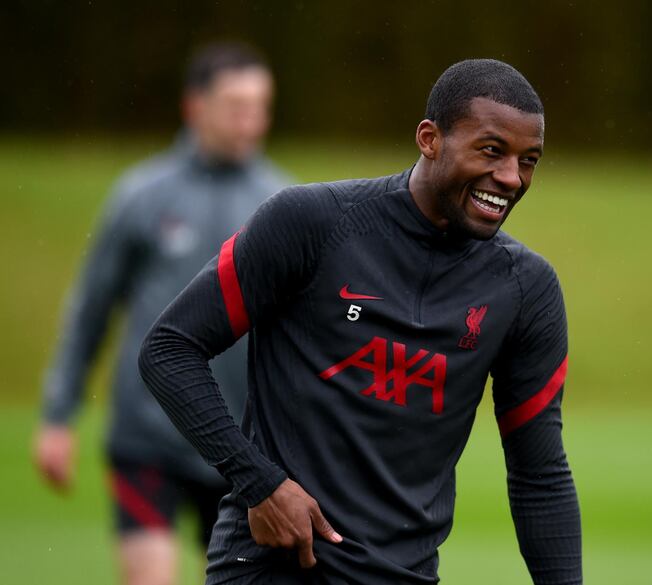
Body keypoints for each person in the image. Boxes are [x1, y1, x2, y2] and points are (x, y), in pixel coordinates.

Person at [139, 59, 582, 585]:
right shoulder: (310, 223)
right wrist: (259, 482)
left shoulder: (526, 290)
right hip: (265, 571)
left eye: (528, 160)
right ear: (429, 139)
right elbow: (169, 349)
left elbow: (539, 476)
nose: (511, 178)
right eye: (492, 150)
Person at [34, 43, 292, 585]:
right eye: (236, 105)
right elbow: (92, 309)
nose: (251, 120)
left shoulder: (283, 204)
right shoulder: (141, 194)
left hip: (238, 442)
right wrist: (59, 414)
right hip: (148, 436)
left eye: (260, 106)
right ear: (194, 107)